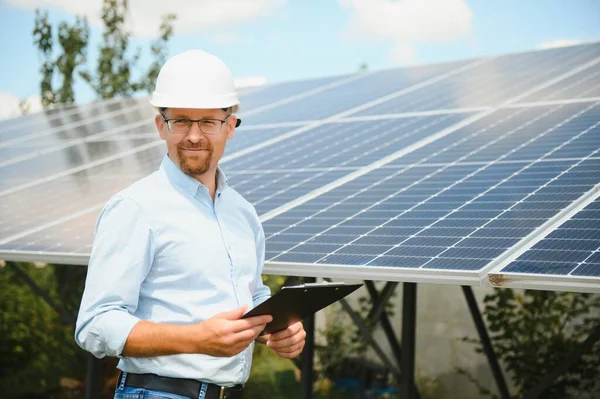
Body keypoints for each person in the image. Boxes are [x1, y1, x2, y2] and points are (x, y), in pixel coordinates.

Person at [75, 49, 306, 399]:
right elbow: (95, 325)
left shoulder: (243, 213)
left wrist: (278, 328)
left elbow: (253, 296)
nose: (194, 135)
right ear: (160, 126)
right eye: (180, 120)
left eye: (209, 122)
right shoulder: (135, 208)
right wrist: (196, 339)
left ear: (230, 127)